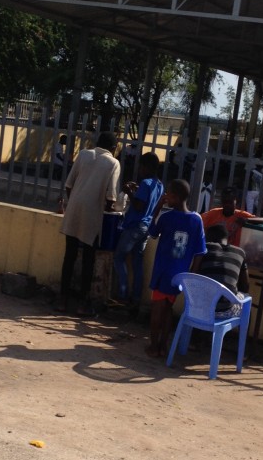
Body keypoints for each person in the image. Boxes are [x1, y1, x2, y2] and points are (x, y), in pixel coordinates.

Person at [58, 131, 120, 316]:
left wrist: (76, 201)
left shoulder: (84, 154)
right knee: (88, 259)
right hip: (92, 214)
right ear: (113, 148)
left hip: (74, 210)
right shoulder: (113, 163)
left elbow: (68, 185)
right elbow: (111, 197)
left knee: (69, 256)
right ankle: (83, 303)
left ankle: (62, 299)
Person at [146, 179, 206, 357]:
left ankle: (153, 346)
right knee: (168, 309)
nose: (166, 197)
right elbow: (200, 252)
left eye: (169, 195)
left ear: (177, 197)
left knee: (157, 309)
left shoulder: (167, 217)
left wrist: (157, 206)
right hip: (180, 274)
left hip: (162, 271)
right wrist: (192, 276)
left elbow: (152, 232)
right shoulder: (196, 220)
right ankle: (164, 345)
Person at [112, 152, 164, 316]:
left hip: (134, 226)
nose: (139, 169)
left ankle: (122, 294)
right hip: (146, 227)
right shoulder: (159, 185)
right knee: (137, 262)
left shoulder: (146, 183)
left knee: (119, 258)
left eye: (141, 166)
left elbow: (139, 205)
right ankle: (136, 298)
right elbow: (152, 206)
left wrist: (128, 192)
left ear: (146, 167)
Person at [198, 224, 250, 305]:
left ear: (209, 238)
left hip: (200, 307)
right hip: (226, 310)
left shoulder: (204, 248)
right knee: (246, 298)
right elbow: (245, 286)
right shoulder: (240, 252)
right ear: (227, 238)